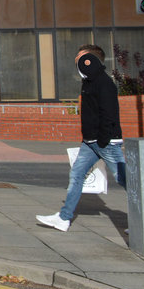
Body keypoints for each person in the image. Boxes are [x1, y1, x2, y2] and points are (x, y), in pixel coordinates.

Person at [36, 44, 127, 232]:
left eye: (80, 57)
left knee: (126, 180)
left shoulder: (104, 83)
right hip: (90, 143)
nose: (76, 61)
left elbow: (109, 114)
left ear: (91, 60)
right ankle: (63, 218)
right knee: (76, 175)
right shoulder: (89, 82)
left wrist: (102, 140)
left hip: (106, 143)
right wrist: (91, 140)